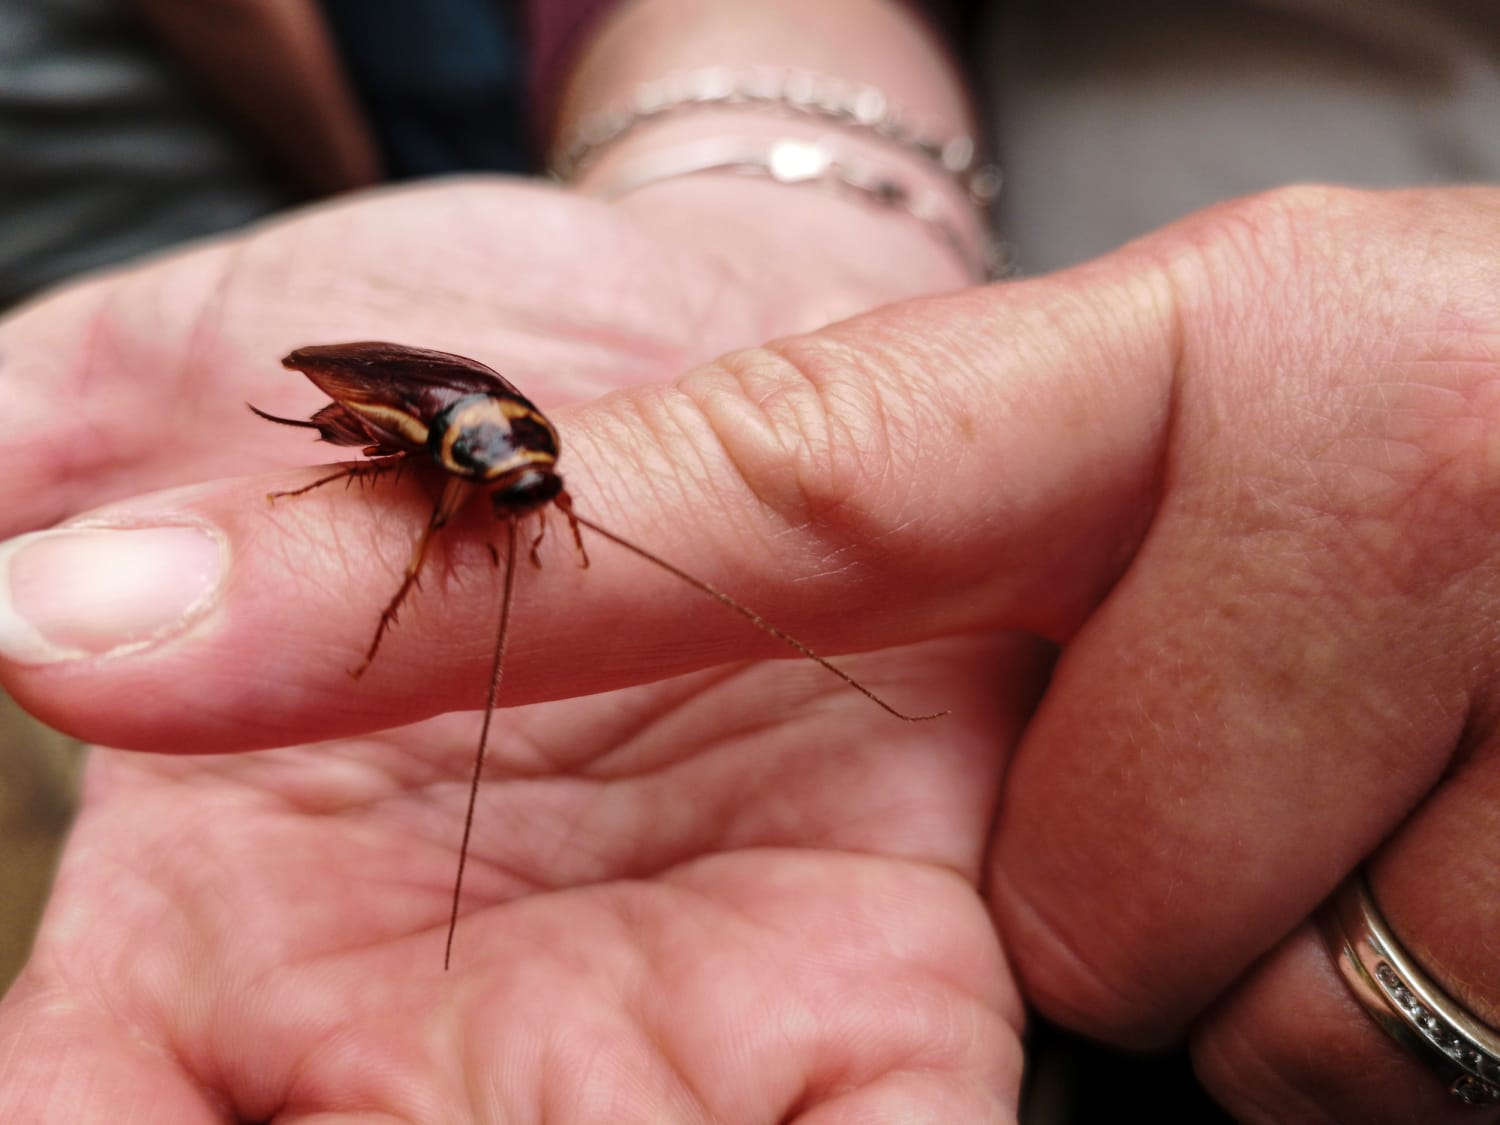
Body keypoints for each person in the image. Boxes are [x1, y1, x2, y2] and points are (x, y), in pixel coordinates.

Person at [1, 1, 1498, 1121]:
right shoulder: (451, 447)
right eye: (521, 486)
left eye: (536, 487)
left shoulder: (509, 459)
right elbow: (397, 434)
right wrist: (763, 192)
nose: (532, 505)